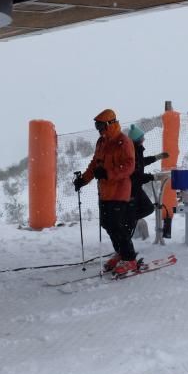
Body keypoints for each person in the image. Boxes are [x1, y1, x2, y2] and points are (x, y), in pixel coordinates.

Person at [74, 109, 137, 275]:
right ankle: (121, 253)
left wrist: (108, 173)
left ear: (110, 124)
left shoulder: (123, 141)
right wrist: (83, 180)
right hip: (104, 191)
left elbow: (129, 166)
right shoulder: (101, 142)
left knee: (117, 225)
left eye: (100, 126)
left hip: (119, 190)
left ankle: (130, 259)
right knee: (107, 224)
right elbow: (95, 164)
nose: (98, 129)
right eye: (96, 126)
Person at [127, 124, 169, 235]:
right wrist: (154, 177)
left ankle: (130, 221)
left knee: (146, 208)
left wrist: (156, 157)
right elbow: (136, 175)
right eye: (142, 137)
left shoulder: (135, 149)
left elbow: (141, 162)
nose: (144, 139)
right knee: (148, 208)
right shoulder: (132, 152)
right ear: (137, 140)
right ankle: (128, 221)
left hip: (135, 187)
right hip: (131, 189)